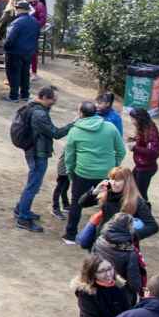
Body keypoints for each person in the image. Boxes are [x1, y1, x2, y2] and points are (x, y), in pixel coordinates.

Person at [60, 101, 127, 245]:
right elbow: (121, 150)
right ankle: (109, 236)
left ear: (80, 113)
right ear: (96, 112)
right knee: (109, 203)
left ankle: (70, 235)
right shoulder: (110, 128)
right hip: (106, 173)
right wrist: (113, 166)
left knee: (77, 203)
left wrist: (71, 173)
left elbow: (69, 157)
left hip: (83, 173)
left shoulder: (74, 131)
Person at [13, 87, 71, 232]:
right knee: (33, 185)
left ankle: (20, 209)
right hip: (37, 153)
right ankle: (23, 218)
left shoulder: (31, 107)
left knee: (32, 183)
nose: (54, 103)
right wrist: (73, 124)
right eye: (53, 100)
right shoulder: (39, 114)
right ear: (44, 97)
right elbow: (55, 133)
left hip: (32, 150)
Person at [1, 1, 40, 100]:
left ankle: (13, 95)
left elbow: (10, 38)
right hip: (28, 52)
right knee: (25, 73)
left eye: (17, 8)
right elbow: (36, 37)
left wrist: (5, 47)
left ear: (20, 9)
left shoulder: (17, 22)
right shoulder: (35, 21)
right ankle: (25, 94)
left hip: (14, 52)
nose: (16, 10)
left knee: (13, 74)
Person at [126, 107, 159, 199]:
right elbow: (144, 142)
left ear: (139, 119)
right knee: (132, 187)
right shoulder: (144, 128)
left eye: (133, 119)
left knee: (141, 193)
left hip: (146, 168)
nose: (132, 121)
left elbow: (154, 151)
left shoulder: (151, 131)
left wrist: (135, 148)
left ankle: (145, 212)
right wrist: (134, 139)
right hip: (141, 165)